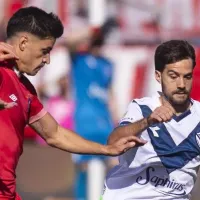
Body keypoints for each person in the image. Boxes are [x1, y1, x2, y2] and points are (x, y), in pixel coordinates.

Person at [0, 7, 146, 200]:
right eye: (45, 51)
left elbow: (54, 133)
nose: (47, 60)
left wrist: (107, 149)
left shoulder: (25, 90)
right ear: (24, 43)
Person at [102, 40, 200, 200]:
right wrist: (147, 122)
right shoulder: (142, 108)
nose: (181, 84)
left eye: (187, 77)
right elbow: (113, 142)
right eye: (174, 76)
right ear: (158, 76)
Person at [65, 19, 120, 200]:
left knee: (113, 166)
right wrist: (93, 29)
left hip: (104, 123)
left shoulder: (108, 64)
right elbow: (69, 41)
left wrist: (118, 124)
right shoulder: (78, 60)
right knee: (84, 167)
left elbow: (111, 96)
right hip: (84, 124)